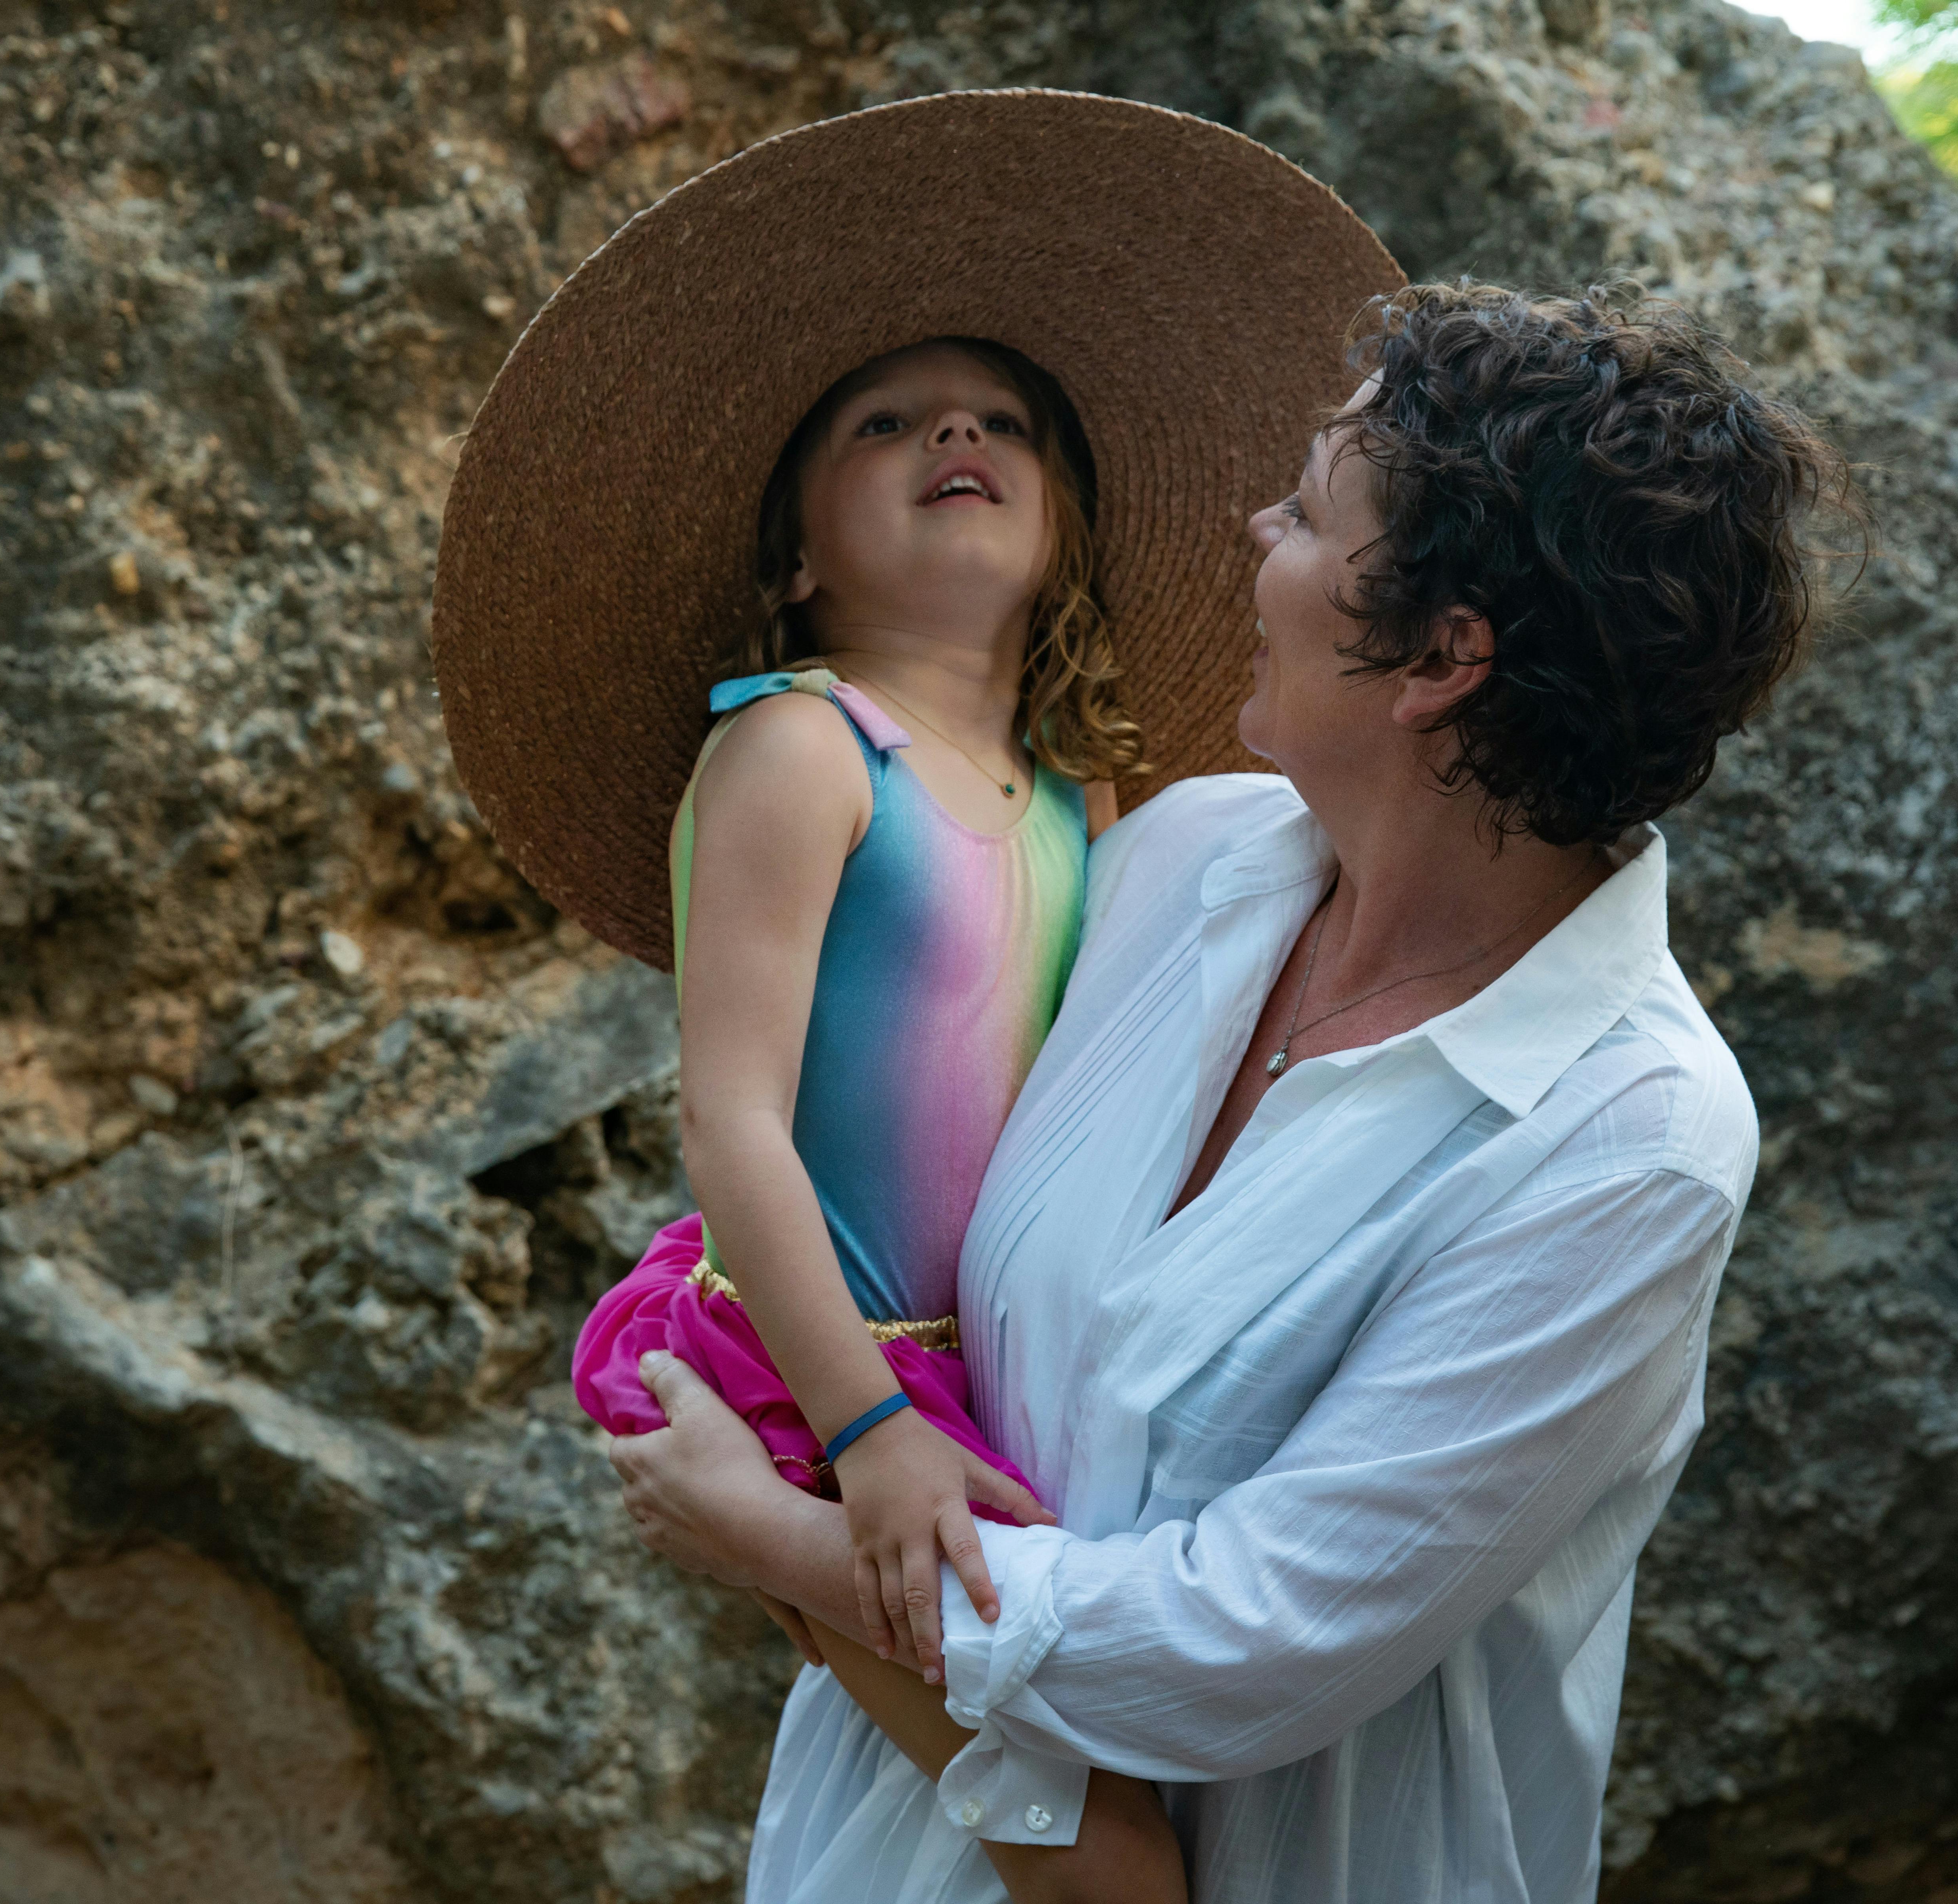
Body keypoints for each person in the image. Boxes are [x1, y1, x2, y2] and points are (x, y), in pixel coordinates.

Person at [607, 279, 1854, 1903]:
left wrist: (775, 1542)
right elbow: (845, 1146)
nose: (1247, 533)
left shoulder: (1627, 1141)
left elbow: (1236, 1649)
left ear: (1436, 660)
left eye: (1307, 511)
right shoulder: (1173, 865)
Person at [428, 91, 1407, 1899]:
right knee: (1109, 1870)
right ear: (798, 556)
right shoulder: (804, 752)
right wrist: (869, 1440)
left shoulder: (1077, 800)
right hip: (813, 1370)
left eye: (1003, 422)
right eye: (886, 424)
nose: (955, 430)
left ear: (1070, 530)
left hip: (996, 1378)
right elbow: (727, 1116)